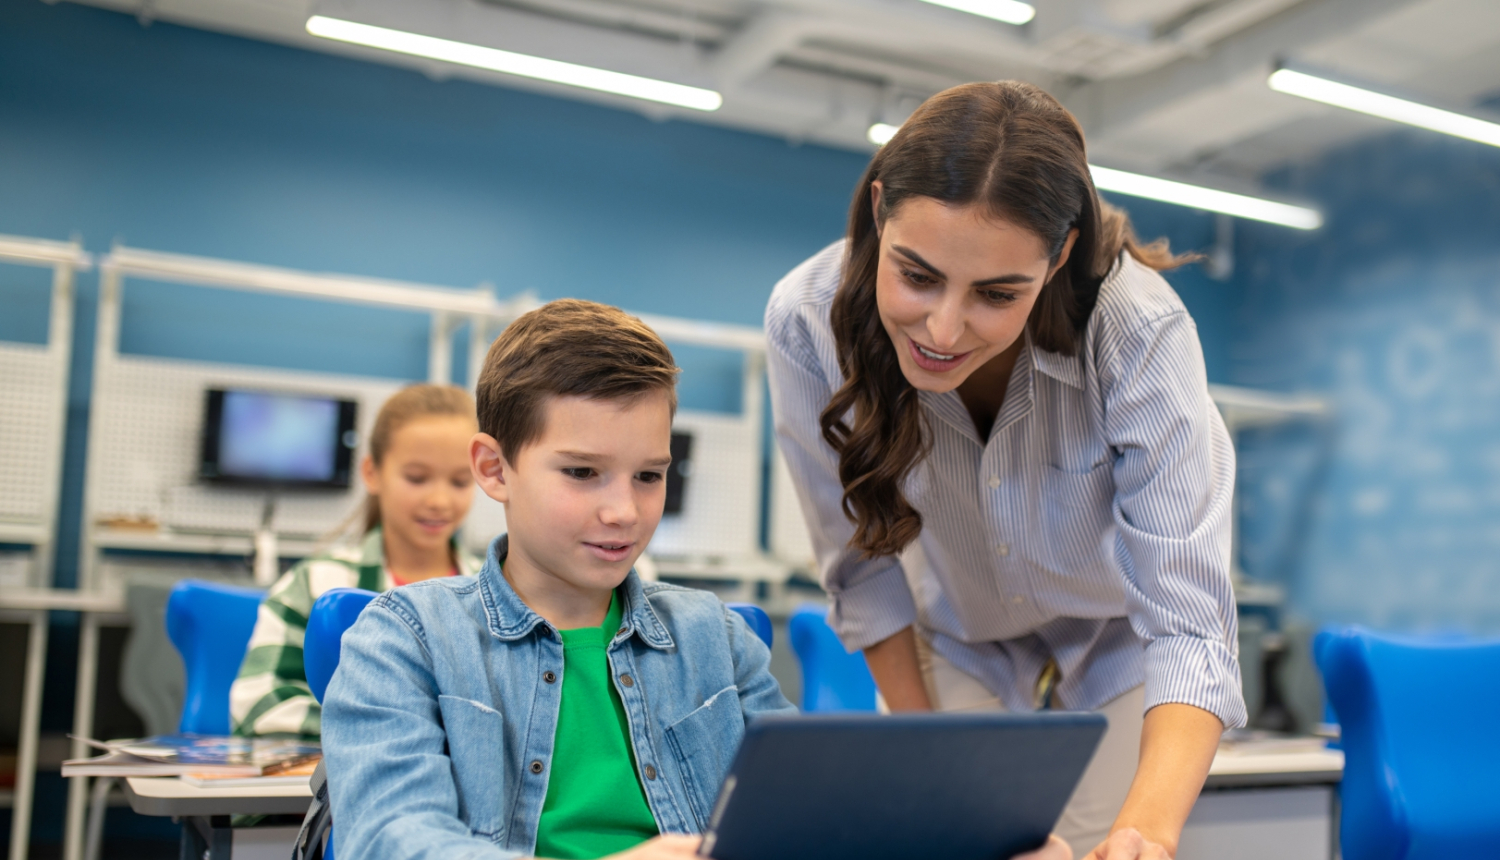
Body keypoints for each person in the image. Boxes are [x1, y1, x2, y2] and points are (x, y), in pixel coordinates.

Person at [320, 300, 1074, 860]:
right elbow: (392, 838)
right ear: (495, 469)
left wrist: (968, 845)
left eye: (649, 475)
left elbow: (810, 821)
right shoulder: (404, 636)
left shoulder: (713, 638)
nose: (623, 510)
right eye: (582, 473)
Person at [767, 81, 1246, 860]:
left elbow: (1190, 620)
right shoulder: (805, 319)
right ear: (880, 211)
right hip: (959, 638)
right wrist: (933, 778)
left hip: (1121, 643)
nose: (944, 329)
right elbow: (863, 574)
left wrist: (1148, 834)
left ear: (1057, 257)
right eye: (916, 276)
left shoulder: (1140, 331)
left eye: (996, 293)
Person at [230, 383, 483, 737]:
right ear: (371, 473)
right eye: (417, 478)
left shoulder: (499, 593)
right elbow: (258, 705)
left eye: (459, 482)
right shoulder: (315, 584)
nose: (440, 500)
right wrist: (398, 728)